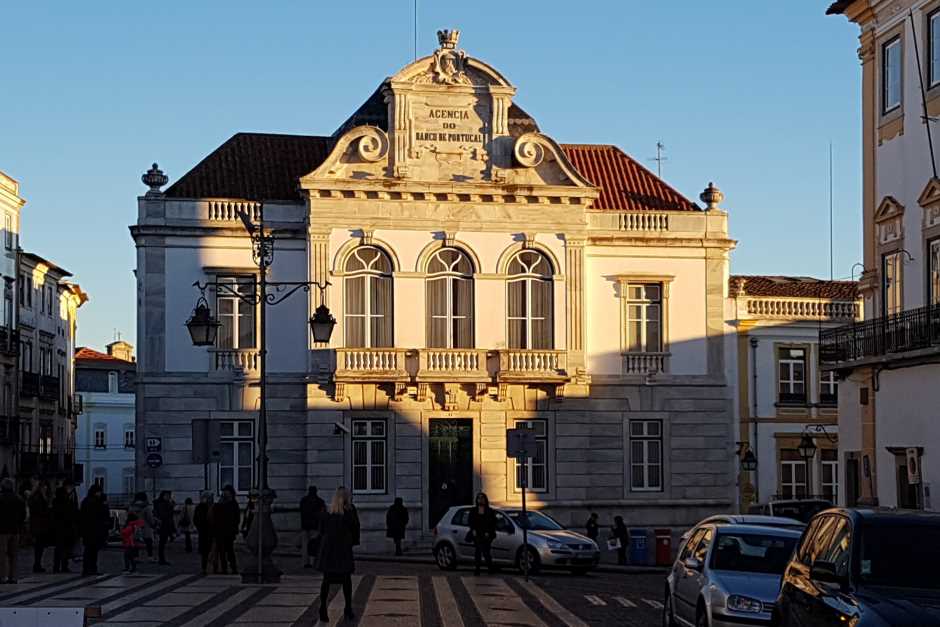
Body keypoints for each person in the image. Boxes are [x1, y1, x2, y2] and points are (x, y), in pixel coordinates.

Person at [317, 487, 360, 623]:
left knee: (326, 580)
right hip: (343, 549)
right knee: (346, 579)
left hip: (329, 549)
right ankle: (347, 608)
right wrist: (352, 542)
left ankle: (323, 607)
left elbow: (321, 530)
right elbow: (356, 529)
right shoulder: (350, 512)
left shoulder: (327, 512)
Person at [0, 478, 27, 584]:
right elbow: (23, 515)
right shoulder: (19, 499)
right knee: (14, 555)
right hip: (15, 530)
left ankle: (2, 576)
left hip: (2, 530)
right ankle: (13, 577)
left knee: (2, 554)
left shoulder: (0, 498)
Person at [79, 484, 110, 576]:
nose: (100, 493)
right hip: (93, 530)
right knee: (91, 551)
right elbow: (101, 515)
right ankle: (91, 569)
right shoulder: (96, 502)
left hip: (88, 530)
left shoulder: (86, 501)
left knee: (89, 550)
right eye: (99, 492)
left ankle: (88, 569)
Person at [211, 485, 240, 574]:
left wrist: (234, 529)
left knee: (230, 550)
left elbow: (236, 518)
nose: (224, 493)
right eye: (223, 491)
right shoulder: (220, 503)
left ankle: (233, 567)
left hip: (229, 531)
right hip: (220, 531)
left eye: (225, 491)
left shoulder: (234, 504)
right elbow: (215, 516)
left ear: (230, 493)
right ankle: (224, 568)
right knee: (222, 551)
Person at [467, 492, 496, 576]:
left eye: (482, 498)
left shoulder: (490, 511)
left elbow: (493, 523)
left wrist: (488, 532)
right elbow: (470, 521)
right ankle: (477, 569)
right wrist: (473, 530)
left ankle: (490, 568)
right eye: (479, 498)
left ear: (485, 499)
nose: (480, 500)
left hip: (487, 534)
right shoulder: (473, 511)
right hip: (477, 534)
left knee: (486, 551)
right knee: (478, 551)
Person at [51, 485, 79, 573]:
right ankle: (64, 566)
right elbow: (73, 514)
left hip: (58, 528)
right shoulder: (68, 502)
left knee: (59, 549)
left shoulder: (55, 502)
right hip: (67, 528)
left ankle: (57, 566)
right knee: (65, 549)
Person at [28, 480, 51, 573]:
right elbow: (39, 511)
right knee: (39, 547)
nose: (45, 488)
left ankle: (38, 564)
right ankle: (37, 565)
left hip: (40, 525)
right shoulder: (38, 497)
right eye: (44, 487)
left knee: (40, 547)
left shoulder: (38, 497)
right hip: (39, 525)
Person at [299, 486, 325, 568]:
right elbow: (322, 515)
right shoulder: (320, 501)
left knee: (305, 546)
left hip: (305, 526)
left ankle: (305, 562)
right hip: (315, 526)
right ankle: (312, 562)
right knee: (314, 545)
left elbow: (302, 513)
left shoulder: (303, 501)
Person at [127, 492, 155, 562]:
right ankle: (150, 557)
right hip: (145, 527)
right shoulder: (146, 507)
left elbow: (129, 517)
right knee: (149, 542)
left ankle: (136, 557)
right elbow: (150, 518)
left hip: (135, 527)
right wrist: (153, 524)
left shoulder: (132, 507)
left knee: (136, 543)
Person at [193, 492, 214, 575]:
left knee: (207, 551)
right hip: (205, 532)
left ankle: (207, 567)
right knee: (205, 552)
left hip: (207, 532)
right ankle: (205, 568)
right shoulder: (201, 507)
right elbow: (197, 520)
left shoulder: (210, 507)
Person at [154, 490, 176, 565]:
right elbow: (164, 515)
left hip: (166, 525)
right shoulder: (162, 504)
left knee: (163, 543)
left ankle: (162, 559)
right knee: (162, 543)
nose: (169, 497)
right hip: (163, 525)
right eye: (167, 495)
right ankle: (161, 559)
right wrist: (171, 508)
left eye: (169, 496)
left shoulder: (166, 504)